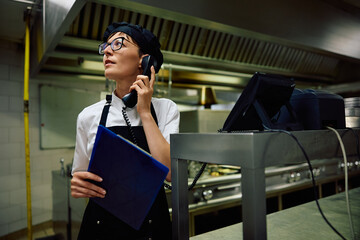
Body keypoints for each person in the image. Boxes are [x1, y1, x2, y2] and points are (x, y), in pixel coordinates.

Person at [70, 22, 180, 239]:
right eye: (106, 46)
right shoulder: (88, 116)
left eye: (119, 43)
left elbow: (169, 173)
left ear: (144, 60)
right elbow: (80, 174)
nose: (107, 51)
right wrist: (76, 184)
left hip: (151, 227)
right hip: (100, 227)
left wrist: (145, 112)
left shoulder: (166, 108)